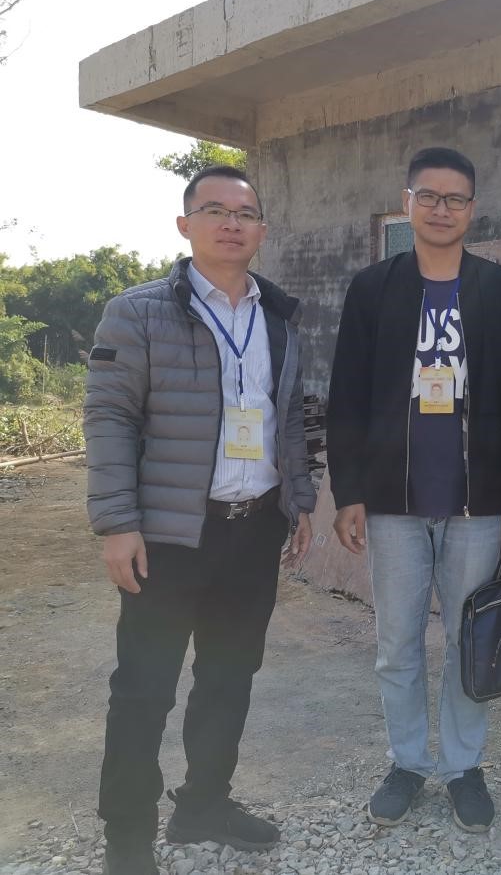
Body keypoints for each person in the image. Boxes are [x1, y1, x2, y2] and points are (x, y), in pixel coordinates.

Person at [85, 165, 316, 875]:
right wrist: (117, 523)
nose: (230, 223)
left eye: (244, 213)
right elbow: (110, 417)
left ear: (262, 230)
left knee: (228, 677)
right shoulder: (138, 312)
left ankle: (204, 805)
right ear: (185, 225)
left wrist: (300, 501)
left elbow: (290, 416)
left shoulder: (279, 316)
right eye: (214, 210)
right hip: (167, 536)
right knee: (144, 689)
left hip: (253, 528)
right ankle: (127, 837)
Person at [325, 147, 501, 833]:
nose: (442, 210)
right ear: (407, 203)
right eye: (429, 196)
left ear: (473, 209)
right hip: (393, 502)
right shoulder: (373, 288)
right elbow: (347, 394)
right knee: (398, 643)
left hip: (477, 503)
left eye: (455, 199)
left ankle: (463, 766)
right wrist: (349, 490)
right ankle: (409, 762)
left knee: (471, 641)